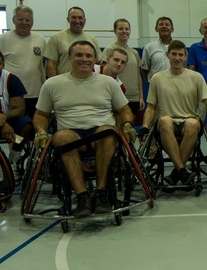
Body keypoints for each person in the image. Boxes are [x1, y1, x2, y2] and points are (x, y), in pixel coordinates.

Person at [34, 41, 136, 219]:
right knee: (62, 137)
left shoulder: (108, 83)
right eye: (79, 55)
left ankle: (101, 193)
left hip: (100, 134)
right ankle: (82, 197)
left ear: (95, 59)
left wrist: (127, 124)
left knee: (108, 132)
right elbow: (41, 114)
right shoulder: (53, 84)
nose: (84, 59)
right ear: (70, 58)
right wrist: (42, 132)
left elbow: (125, 110)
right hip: (71, 135)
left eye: (89, 56)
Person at [144, 40, 207, 187]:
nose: (177, 58)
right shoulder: (157, 78)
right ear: (167, 55)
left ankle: (177, 172)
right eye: (174, 54)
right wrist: (145, 126)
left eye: (180, 55)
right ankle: (182, 171)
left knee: (192, 123)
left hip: (189, 122)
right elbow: (151, 107)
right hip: (167, 123)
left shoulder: (196, 77)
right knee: (164, 120)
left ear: (185, 57)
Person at [0, 5, 45, 117]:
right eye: (20, 19)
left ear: (32, 22)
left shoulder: (40, 40)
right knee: (14, 126)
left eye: (27, 20)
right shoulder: (2, 39)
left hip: (36, 93)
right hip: (10, 94)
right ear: (13, 20)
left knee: (34, 127)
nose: (24, 22)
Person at [44, 7, 102, 78]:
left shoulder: (92, 39)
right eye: (74, 17)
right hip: (64, 83)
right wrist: (54, 84)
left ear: (85, 20)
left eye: (80, 18)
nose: (77, 21)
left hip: (87, 83)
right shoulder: (56, 38)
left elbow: (98, 63)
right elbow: (51, 65)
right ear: (68, 19)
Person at [103, 18, 144, 116]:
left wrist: (141, 96)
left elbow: (138, 75)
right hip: (116, 95)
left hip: (133, 97)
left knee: (129, 128)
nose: (124, 31)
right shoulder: (109, 49)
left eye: (127, 29)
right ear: (115, 31)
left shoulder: (134, 52)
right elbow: (103, 74)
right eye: (121, 29)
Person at [141, 16, 174, 83]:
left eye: (167, 25)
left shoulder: (179, 47)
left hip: (175, 84)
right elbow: (145, 69)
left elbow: (184, 67)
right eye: (161, 24)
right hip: (155, 85)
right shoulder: (149, 47)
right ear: (156, 29)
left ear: (172, 29)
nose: (164, 26)